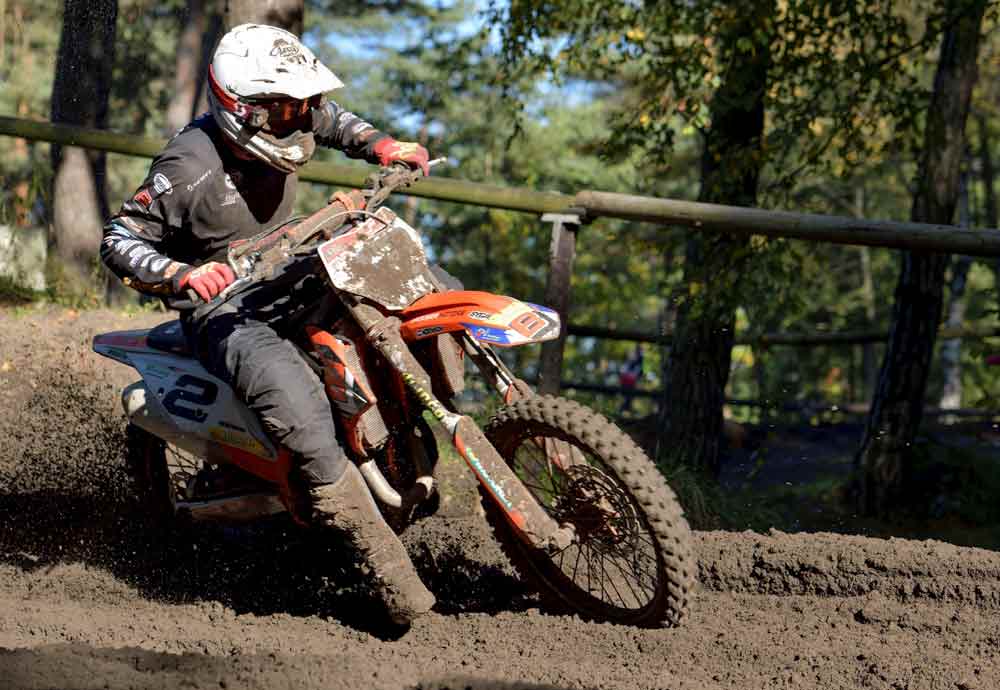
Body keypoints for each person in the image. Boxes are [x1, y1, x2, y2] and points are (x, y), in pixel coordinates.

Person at [100, 24, 435, 625]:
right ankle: (387, 573)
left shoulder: (294, 117)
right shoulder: (188, 166)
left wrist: (383, 145)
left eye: (302, 104)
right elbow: (120, 237)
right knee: (304, 415)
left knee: (407, 296)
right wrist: (182, 274)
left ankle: (407, 453)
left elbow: (331, 120)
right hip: (227, 309)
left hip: (291, 268)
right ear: (242, 109)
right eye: (285, 109)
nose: (300, 118)